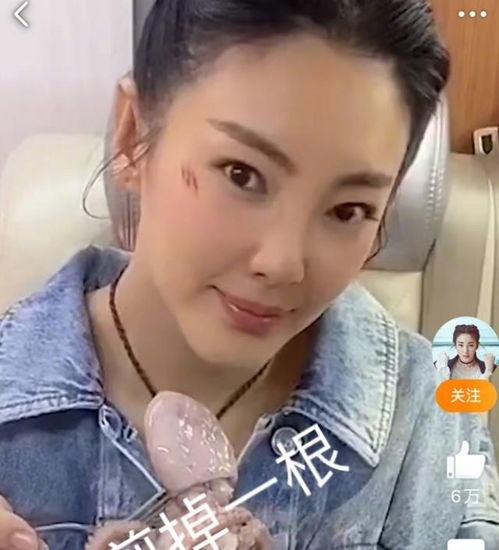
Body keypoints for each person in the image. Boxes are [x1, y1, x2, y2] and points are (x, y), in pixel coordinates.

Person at [1, 1, 498, 549]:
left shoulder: (428, 424)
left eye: (348, 210)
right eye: (242, 174)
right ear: (130, 135)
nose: (283, 263)